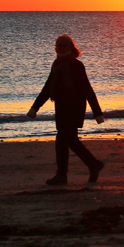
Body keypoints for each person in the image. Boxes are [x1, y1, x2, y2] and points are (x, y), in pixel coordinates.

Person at [27, 34, 106, 186]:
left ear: (70, 47)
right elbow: (48, 87)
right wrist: (35, 107)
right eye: (58, 46)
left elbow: (87, 89)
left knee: (62, 140)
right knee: (71, 141)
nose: (60, 48)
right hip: (61, 107)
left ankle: (62, 175)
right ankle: (93, 165)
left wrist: (97, 113)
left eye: (63, 46)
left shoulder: (76, 65)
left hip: (74, 108)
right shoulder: (56, 64)